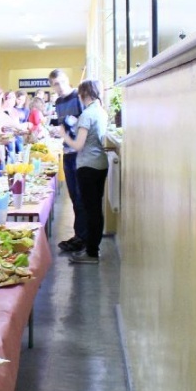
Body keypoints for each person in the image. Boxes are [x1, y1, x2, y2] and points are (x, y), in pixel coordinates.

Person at [60, 80, 108, 264]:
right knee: (96, 209)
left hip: (87, 166)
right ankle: (92, 249)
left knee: (90, 210)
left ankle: (91, 252)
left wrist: (64, 135)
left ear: (84, 94)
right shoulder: (101, 111)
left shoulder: (87, 114)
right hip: (100, 164)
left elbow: (78, 145)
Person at [49, 68, 87, 253]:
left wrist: (70, 123)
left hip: (80, 151)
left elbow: (85, 122)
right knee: (74, 197)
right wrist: (58, 129)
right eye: (55, 84)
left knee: (81, 197)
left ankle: (83, 237)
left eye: (62, 82)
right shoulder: (58, 102)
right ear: (52, 86)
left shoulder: (78, 96)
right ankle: (79, 235)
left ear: (67, 80)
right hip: (67, 152)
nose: (60, 86)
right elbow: (62, 125)